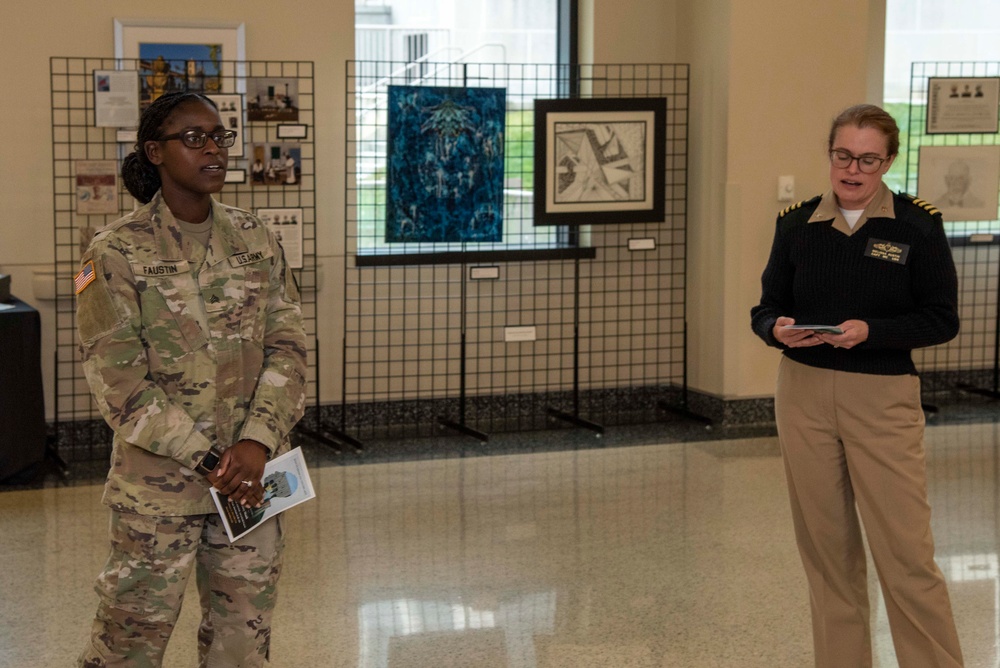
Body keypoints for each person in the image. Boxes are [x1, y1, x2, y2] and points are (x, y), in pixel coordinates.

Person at [75, 91, 308, 667]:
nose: (214, 149)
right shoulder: (116, 252)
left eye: (220, 136)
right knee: (128, 643)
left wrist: (256, 443)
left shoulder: (256, 238)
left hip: (253, 485)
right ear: (154, 151)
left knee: (242, 643)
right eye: (194, 138)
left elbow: (289, 348)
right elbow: (122, 388)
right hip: (160, 493)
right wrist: (215, 464)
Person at [750, 104, 963, 668]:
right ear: (830, 154)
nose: (853, 169)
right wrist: (777, 328)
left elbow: (941, 319)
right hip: (803, 396)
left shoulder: (917, 225)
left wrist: (873, 333)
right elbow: (767, 306)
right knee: (827, 556)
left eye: (868, 159)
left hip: (882, 399)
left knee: (906, 556)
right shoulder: (796, 224)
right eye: (843, 155)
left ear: (888, 161)